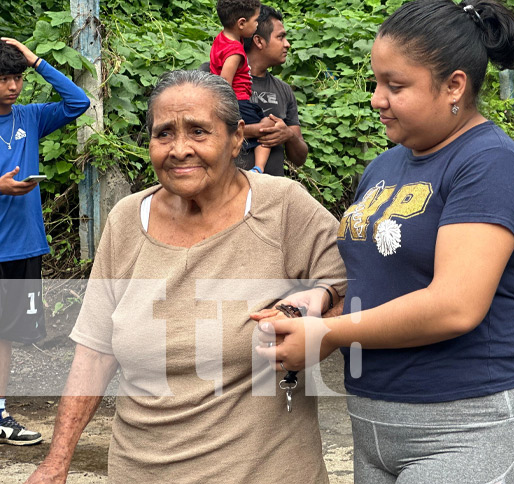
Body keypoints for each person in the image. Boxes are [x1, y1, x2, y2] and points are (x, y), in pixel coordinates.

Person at [254, 0, 514, 484]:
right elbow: (384, 281)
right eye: (376, 82)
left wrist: (326, 335)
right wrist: (323, 301)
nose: (376, 99)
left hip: (466, 429)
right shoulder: (385, 167)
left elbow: (455, 305)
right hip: (373, 428)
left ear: (454, 85)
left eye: (396, 85)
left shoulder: (490, 163)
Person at [25, 70, 345, 483]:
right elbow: (95, 350)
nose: (179, 150)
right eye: (163, 134)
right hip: (139, 469)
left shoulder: (282, 207)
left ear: (236, 138)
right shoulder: (126, 220)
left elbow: (356, 288)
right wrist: (57, 462)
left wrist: (320, 329)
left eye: (198, 131)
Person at [0, 38, 89, 446]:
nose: (12, 86)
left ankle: (0, 413)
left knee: (6, 335)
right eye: (3, 78)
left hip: (23, 245)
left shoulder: (30, 117)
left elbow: (78, 103)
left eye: (16, 77)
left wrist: (36, 60)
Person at [241, 5, 308, 176]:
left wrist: (288, 135)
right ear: (259, 41)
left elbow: (299, 159)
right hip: (223, 194)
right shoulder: (218, 78)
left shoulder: (284, 91)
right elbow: (202, 132)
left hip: (271, 196)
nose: (287, 44)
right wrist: (257, 130)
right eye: (281, 37)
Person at [210, 0, 270, 174]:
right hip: (238, 101)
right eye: (255, 21)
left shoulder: (220, 39)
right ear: (242, 23)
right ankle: (258, 168)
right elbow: (225, 83)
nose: (257, 25)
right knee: (267, 130)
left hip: (234, 101)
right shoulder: (235, 51)